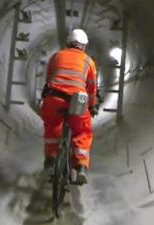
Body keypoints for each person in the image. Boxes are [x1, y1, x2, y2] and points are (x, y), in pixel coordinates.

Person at [41, 29, 98, 185]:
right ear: (84, 46)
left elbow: (49, 77)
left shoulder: (56, 56)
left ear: (68, 43)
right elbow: (92, 88)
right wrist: (92, 106)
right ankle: (81, 167)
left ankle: (51, 160)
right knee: (82, 131)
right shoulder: (89, 62)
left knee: (53, 126)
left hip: (54, 97)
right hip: (77, 101)